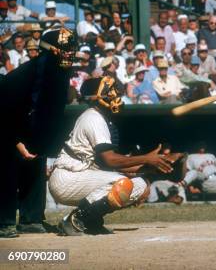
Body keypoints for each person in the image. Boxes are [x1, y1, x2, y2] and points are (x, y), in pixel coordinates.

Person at [48, 76, 179, 235]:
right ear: (97, 97)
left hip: (79, 174)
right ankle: (77, 219)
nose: (114, 95)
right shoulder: (93, 118)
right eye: (109, 92)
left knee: (139, 185)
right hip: (68, 178)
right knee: (123, 184)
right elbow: (110, 160)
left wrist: (151, 167)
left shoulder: (98, 117)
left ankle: (91, 220)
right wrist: (146, 158)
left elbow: (107, 165)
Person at [0, 27, 77, 238]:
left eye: (72, 48)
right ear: (51, 50)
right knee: (7, 164)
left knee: (36, 159)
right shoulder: (23, 76)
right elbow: (5, 113)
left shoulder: (59, 74)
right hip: (5, 123)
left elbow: (48, 112)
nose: (70, 53)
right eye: (65, 48)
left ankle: (31, 219)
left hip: (29, 126)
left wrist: (39, 142)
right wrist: (17, 142)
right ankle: (4, 222)